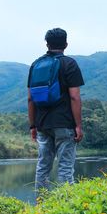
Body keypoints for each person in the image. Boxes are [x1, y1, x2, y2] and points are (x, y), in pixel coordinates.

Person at [27, 28, 84, 198]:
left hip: (43, 125)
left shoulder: (36, 65)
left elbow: (30, 99)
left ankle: (41, 206)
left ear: (47, 44)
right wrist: (78, 126)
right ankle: (66, 206)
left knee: (43, 166)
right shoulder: (69, 64)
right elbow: (74, 97)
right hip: (65, 124)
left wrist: (32, 125)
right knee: (65, 167)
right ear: (66, 44)